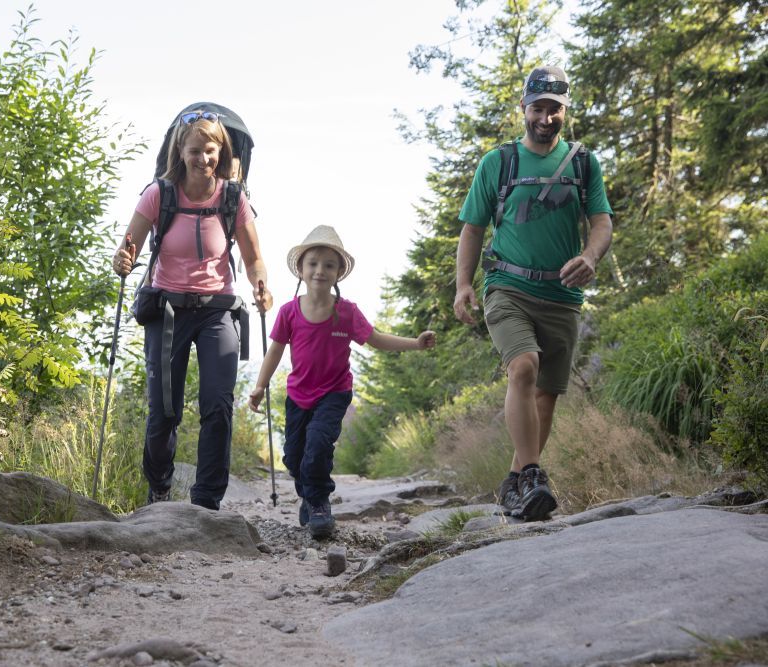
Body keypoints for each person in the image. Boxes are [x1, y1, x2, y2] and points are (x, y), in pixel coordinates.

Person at [453, 65, 614, 521]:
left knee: (546, 394)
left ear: (565, 112)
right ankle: (533, 475)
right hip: (507, 285)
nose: (546, 118)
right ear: (523, 108)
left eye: (555, 110)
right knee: (523, 367)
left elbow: (601, 221)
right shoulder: (497, 163)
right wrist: (464, 285)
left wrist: (590, 255)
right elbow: (472, 228)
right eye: (538, 108)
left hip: (562, 295)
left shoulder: (584, 163)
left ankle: (514, 483)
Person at [112, 107, 273, 510]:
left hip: (218, 310)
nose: (203, 158)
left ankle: (206, 502)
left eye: (211, 150)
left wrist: (260, 284)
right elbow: (126, 249)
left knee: (217, 405)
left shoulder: (233, 198)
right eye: (195, 150)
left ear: (222, 152)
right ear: (180, 151)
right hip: (166, 309)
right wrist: (123, 260)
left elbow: (254, 258)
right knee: (164, 410)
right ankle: (160, 487)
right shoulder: (159, 195)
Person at [249, 226, 435, 538]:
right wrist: (260, 385)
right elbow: (275, 351)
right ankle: (309, 494)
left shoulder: (346, 313)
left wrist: (415, 343)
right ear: (301, 269)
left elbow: (376, 339)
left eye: (328, 265)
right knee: (295, 457)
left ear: (338, 273)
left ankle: (319, 503)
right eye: (313, 263)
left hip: (334, 393)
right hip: (298, 395)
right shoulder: (288, 312)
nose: (320, 270)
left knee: (318, 445)